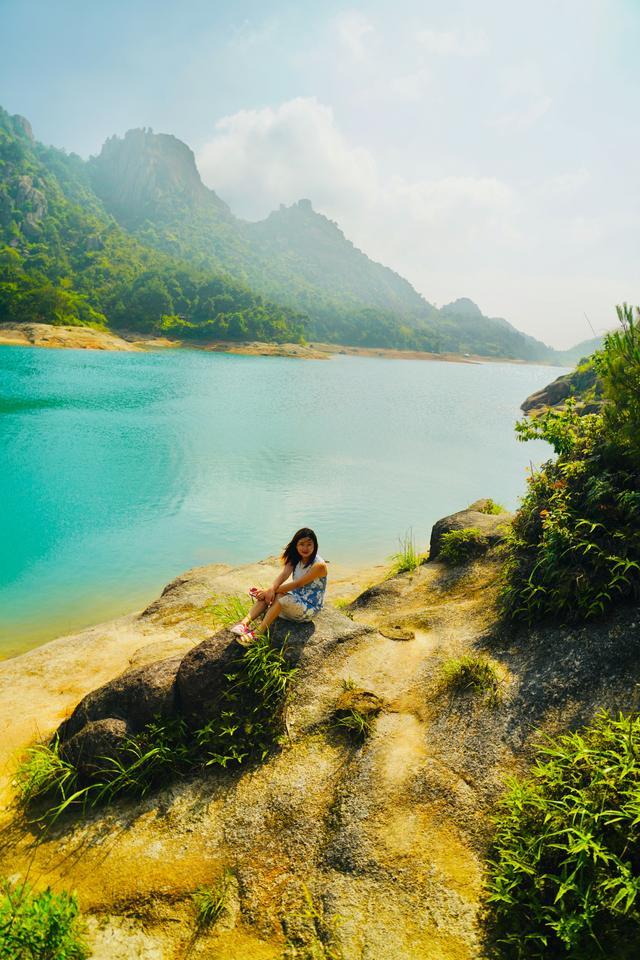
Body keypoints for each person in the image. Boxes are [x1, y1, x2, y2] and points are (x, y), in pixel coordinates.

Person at [231, 527, 327, 645]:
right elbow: (283, 575)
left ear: (315, 545)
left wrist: (269, 591)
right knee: (270, 595)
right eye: (301, 544)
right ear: (296, 545)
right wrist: (270, 590)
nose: (305, 548)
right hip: (295, 600)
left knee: (279, 597)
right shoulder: (295, 558)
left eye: (309, 544)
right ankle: (244, 624)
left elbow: (298, 584)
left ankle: (258, 634)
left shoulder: (319, 565)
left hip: (309, 608)